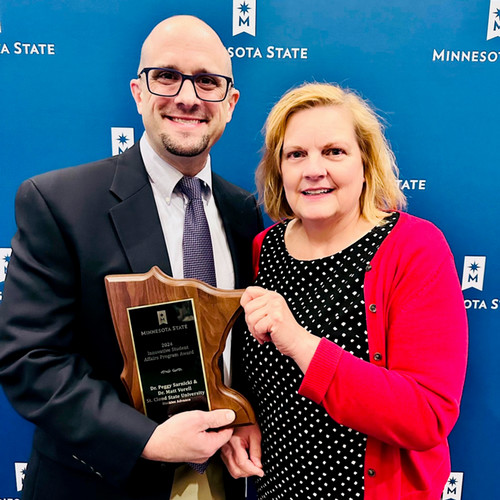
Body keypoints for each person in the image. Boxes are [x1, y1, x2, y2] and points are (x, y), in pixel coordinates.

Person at [0, 15, 263, 500]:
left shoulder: (246, 212)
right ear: (139, 92)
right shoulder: (58, 202)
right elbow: (30, 359)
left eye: (208, 81)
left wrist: (247, 417)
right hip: (101, 484)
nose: (188, 96)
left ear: (230, 103)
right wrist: (146, 439)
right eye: (167, 76)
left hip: (225, 480)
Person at [222, 83, 468, 499]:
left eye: (334, 151)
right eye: (296, 154)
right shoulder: (265, 248)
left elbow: (427, 416)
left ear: (366, 163)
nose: (313, 169)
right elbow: (253, 373)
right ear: (278, 170)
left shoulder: (414, 249)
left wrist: (302, 345)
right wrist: (243, 416)